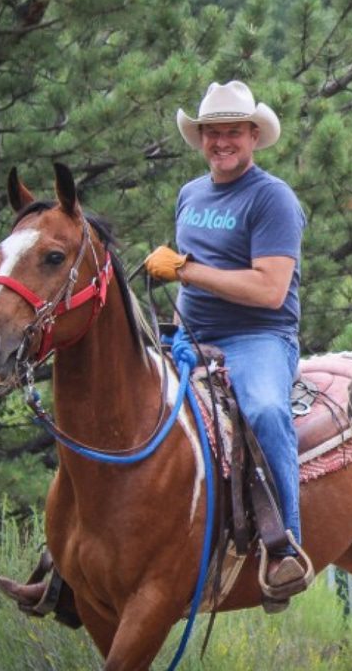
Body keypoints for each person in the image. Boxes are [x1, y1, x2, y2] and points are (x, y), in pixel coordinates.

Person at [145, 80, 311, 608]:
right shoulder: (189, 195)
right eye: (212, 133)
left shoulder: (273, 199)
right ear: (200, 138)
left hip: (258, 337)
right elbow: (185, 285)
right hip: (192, 335)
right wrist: (172, 329)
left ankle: (286, 548)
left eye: (232, 131)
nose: (221, 142)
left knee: (264, 410)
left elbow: (269, 290)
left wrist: (187, 271)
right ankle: (67, 564)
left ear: (254, 136)